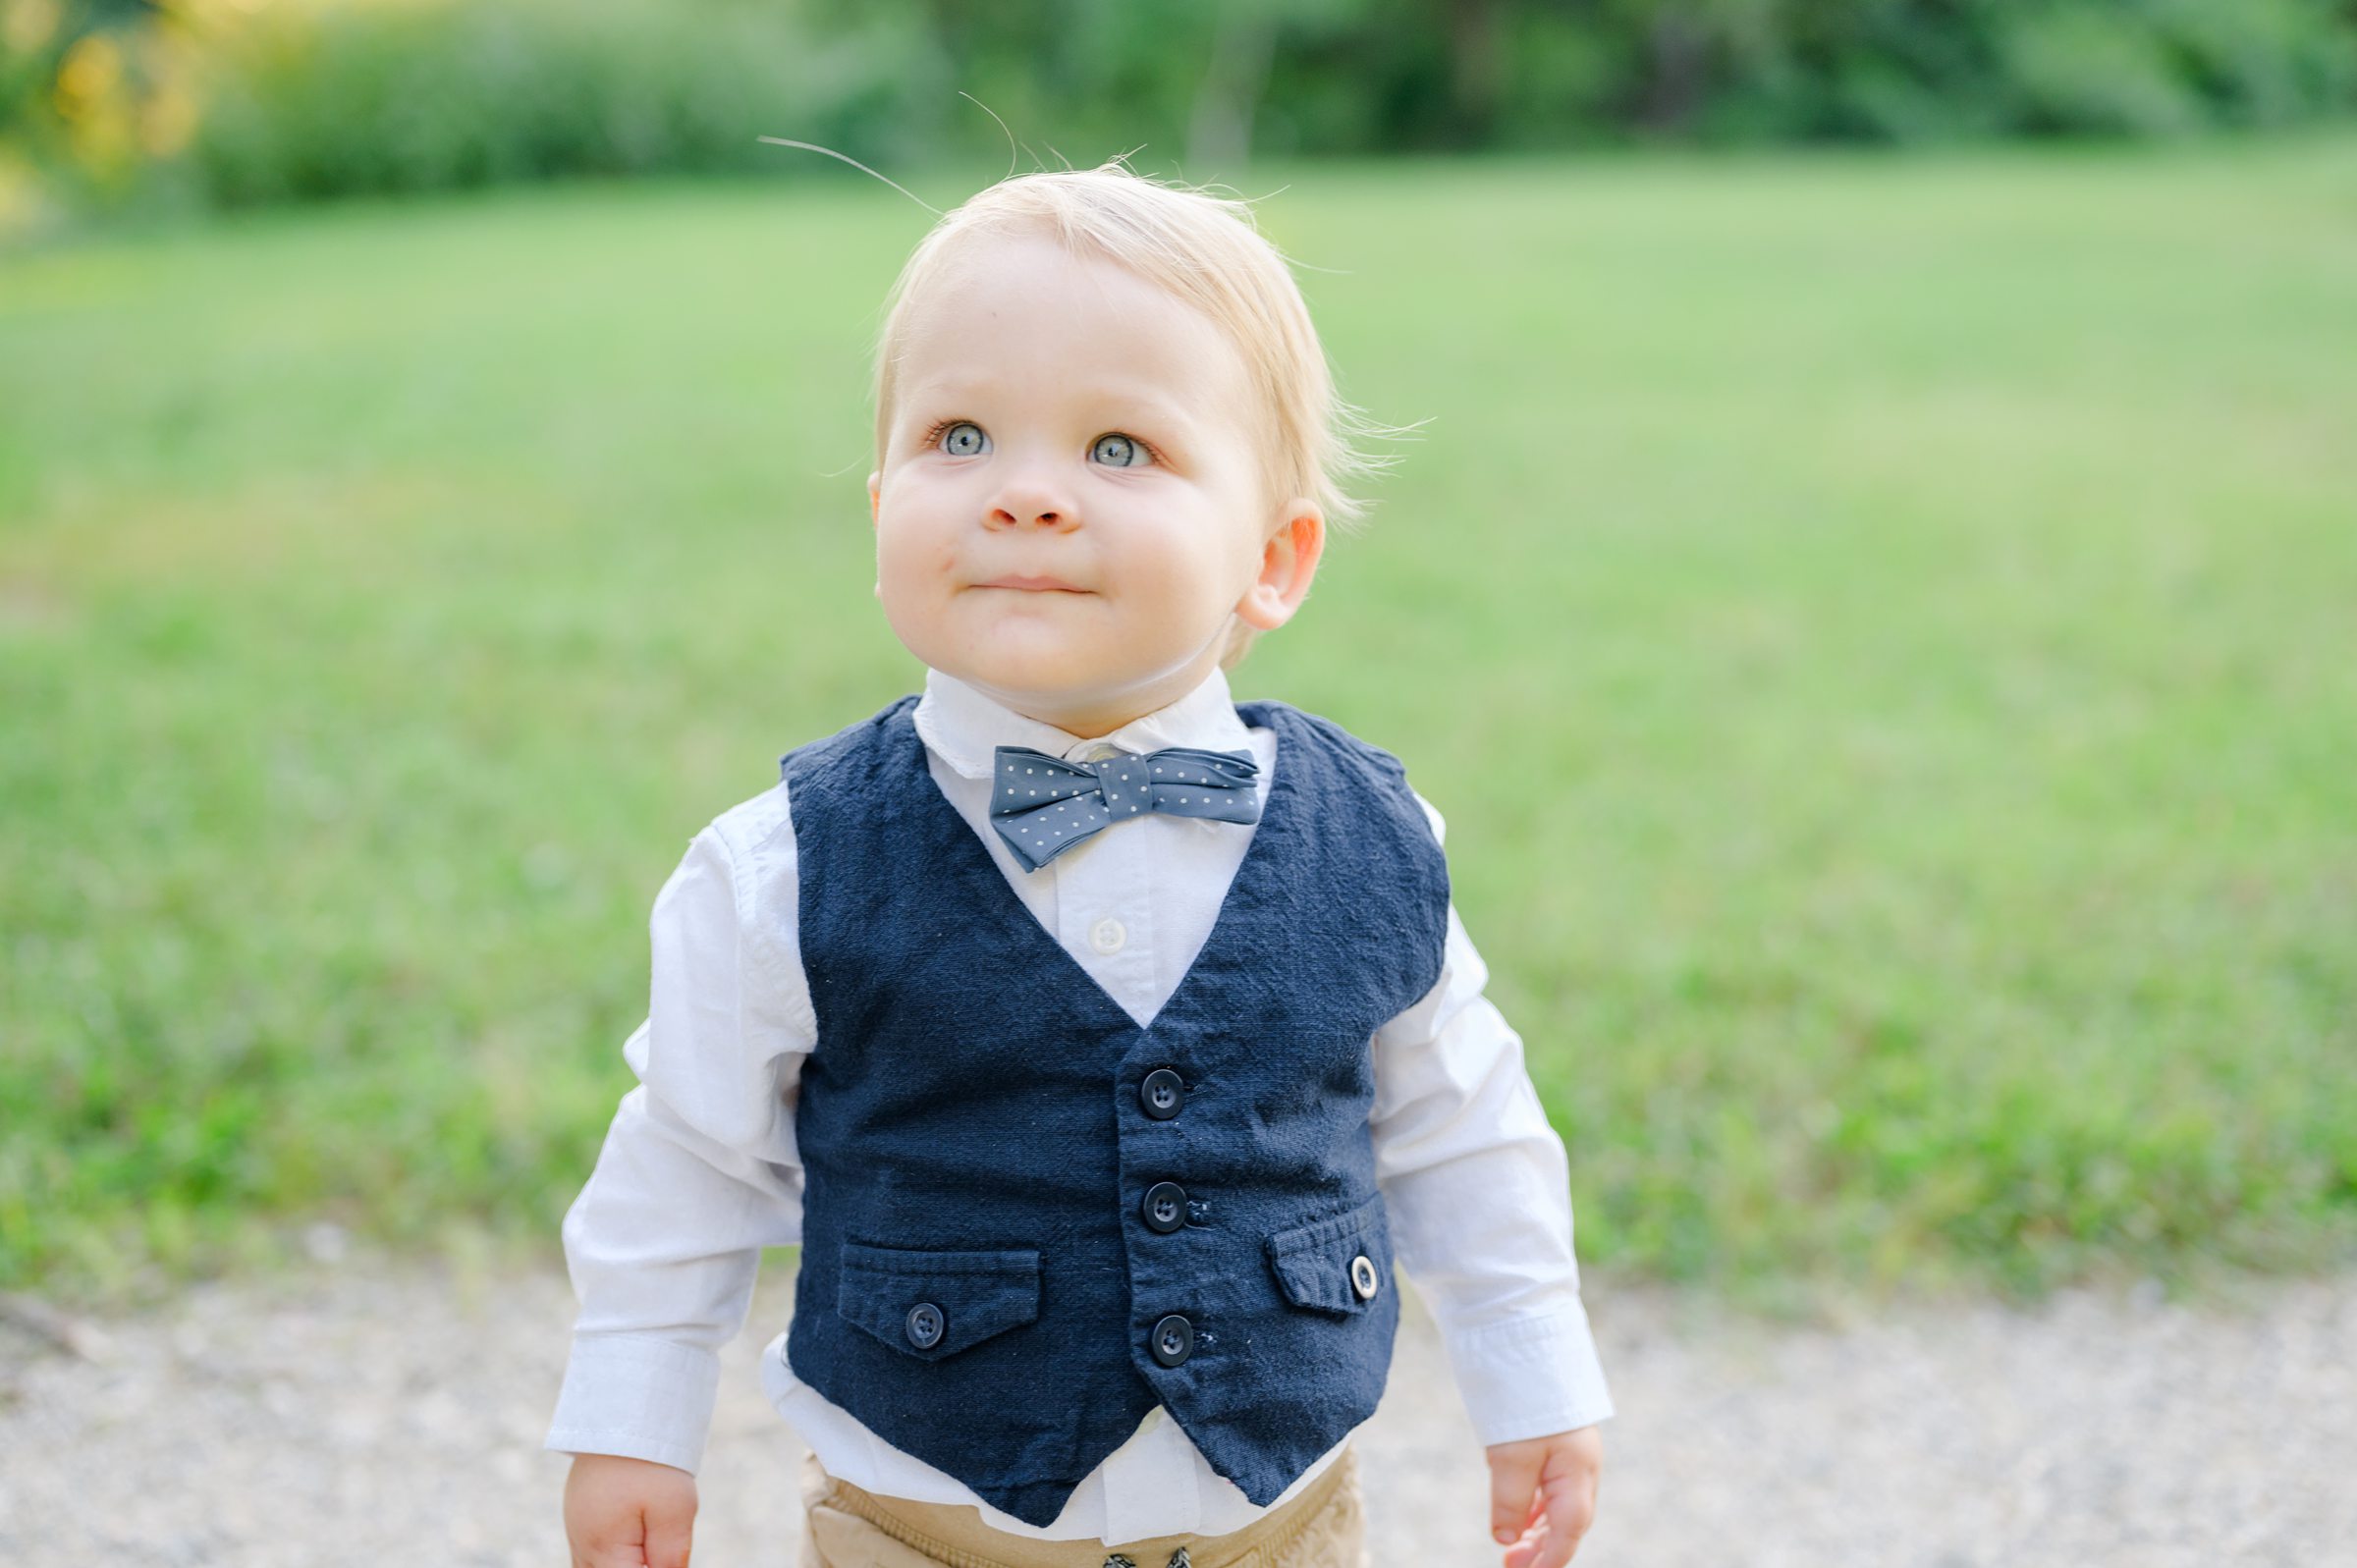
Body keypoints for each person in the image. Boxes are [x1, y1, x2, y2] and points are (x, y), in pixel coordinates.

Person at [548, 159, 1612, 1568]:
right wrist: (630, 1418)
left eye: (1119, 449)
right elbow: (683, 1160)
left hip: (1277, 1531)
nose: (1027, 495)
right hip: (923, 1532)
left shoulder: (1372, 839)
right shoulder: (786, 867)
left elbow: (1462, 1124)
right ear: (879, 506)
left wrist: (1534, 1373)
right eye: (962, 435)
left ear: (1275, 560)